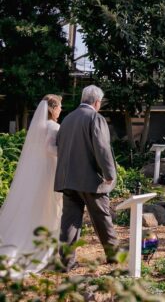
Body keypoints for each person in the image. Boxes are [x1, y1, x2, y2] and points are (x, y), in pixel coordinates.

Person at [55, 85, 119, 270]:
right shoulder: (95, 117)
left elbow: (60, 145)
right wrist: (109, 175)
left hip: (68, 179)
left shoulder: (67, 119)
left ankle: (66, 262)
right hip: (90, 180)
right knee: (102, 219)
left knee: (69, 222)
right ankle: (114, 257)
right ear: (97, 102)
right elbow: (102, 149)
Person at [0, 95, 62, 273]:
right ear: (51, 109)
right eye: (59, 107)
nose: (60, 110)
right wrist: (65, 151)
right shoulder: (53, 126)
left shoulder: (37, 127)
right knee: (47, 206)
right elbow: (50, 149)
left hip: (37, 170)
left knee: (33, 203)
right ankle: (46, 247)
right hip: (49, 170)